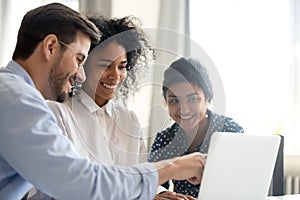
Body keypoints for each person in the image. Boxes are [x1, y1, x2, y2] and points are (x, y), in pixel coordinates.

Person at [0, 3, 205, 199]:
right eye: (79, 59)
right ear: (51, 46)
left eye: (122, 66)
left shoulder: (11, 91)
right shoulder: (18, 99)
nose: (80, 75)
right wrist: (174, 167)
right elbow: (80, 183)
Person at [149, 57, 244, 198]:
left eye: (193, 99)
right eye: (174, 100)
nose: (184, 110)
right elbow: (152, 184)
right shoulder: (165, 139)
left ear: (207, 98)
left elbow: (243, 185)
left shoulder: (231, 132)